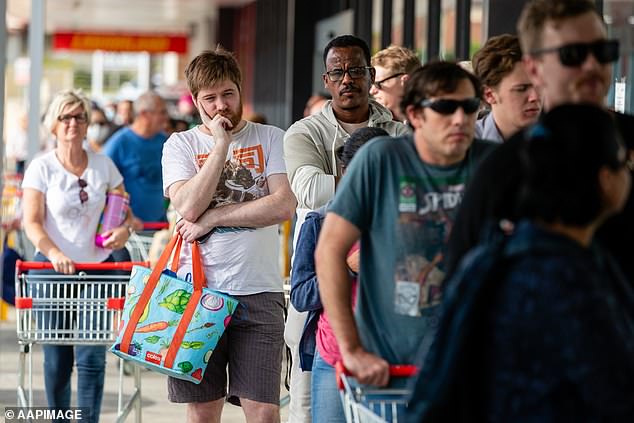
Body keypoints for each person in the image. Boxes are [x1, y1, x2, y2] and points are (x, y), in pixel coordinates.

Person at [406, 104, 634, 422]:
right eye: (626, 163)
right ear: (605, 179)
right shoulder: (571, 278)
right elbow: (615, 394)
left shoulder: (490, 258)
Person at [315, 61, 496, 389]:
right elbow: (329, 250)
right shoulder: (381, 159)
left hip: (474, 367)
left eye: (469, 107)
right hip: (391, 371)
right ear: (414, 115)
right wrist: (352, 349)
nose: (460, 118)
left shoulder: (495, 163)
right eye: (444, 107)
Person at [445, 0, 634, 281]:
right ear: (534, 68)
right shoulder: (504, 167)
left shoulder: (629, 139)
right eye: (573, 54)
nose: (593, 65)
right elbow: (462, 285)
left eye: (603, 52)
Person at [161, 47, 296, 423]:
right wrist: (220, 146)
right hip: (198, 293)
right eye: (210, 98)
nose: (221, 105)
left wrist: (214, 217)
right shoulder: (181, 145)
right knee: (203, 412)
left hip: (260, 290)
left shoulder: (271, 137)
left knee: (265, 412)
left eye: (228, 94)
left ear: (240, 89)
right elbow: (187, 207)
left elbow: (284, 205)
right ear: (195, 102)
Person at [283, 34, 409, 422]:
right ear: (326, 79)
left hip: (390, 327)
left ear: (371, 75)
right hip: (322, 328)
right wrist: (380, 180)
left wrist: (341, 178)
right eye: (338, 72)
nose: (347, 79)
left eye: (356, 70)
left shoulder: (400, 131)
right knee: (309, 407)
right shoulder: (304, 132)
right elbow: (308, 191)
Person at [21, 89, 134, 423]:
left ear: (87, 125)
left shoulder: (104, 166)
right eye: (65, 117)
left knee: (91, 357)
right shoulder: (41, 168)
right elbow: (31, 222)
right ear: (53, 125)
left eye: (79, 117)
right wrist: (54, 253)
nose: (72, 123)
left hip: (97, 271)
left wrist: (124, 231)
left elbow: (123, 210)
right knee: (56, 359)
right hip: (51, 271)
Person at [290, 127, 388, 423]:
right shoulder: (319, 221)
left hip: (389, 357)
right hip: (333, 357)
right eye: (363, 172)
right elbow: (301, 295)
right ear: (345, 172)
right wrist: (346, 268)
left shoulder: (406, 224)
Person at [103, 91, 169, 229]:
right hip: (127, 230)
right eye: (161, 112)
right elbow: (103, 185)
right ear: (145, 114)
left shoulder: (165, 141)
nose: (166, 117)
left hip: (159, 224)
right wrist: (124, 218)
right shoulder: (119, 143)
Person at [472, 34, 542, 142]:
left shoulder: (564, 141)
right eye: (521, 89)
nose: (535, 97)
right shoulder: (466, 146)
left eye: (539, 86)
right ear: (489, 95)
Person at [369, 45, 422, 122]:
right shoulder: (373, 122)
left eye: (378, 84)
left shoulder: (429, 121)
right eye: (371, 84)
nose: (372, 91)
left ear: (406, 81)